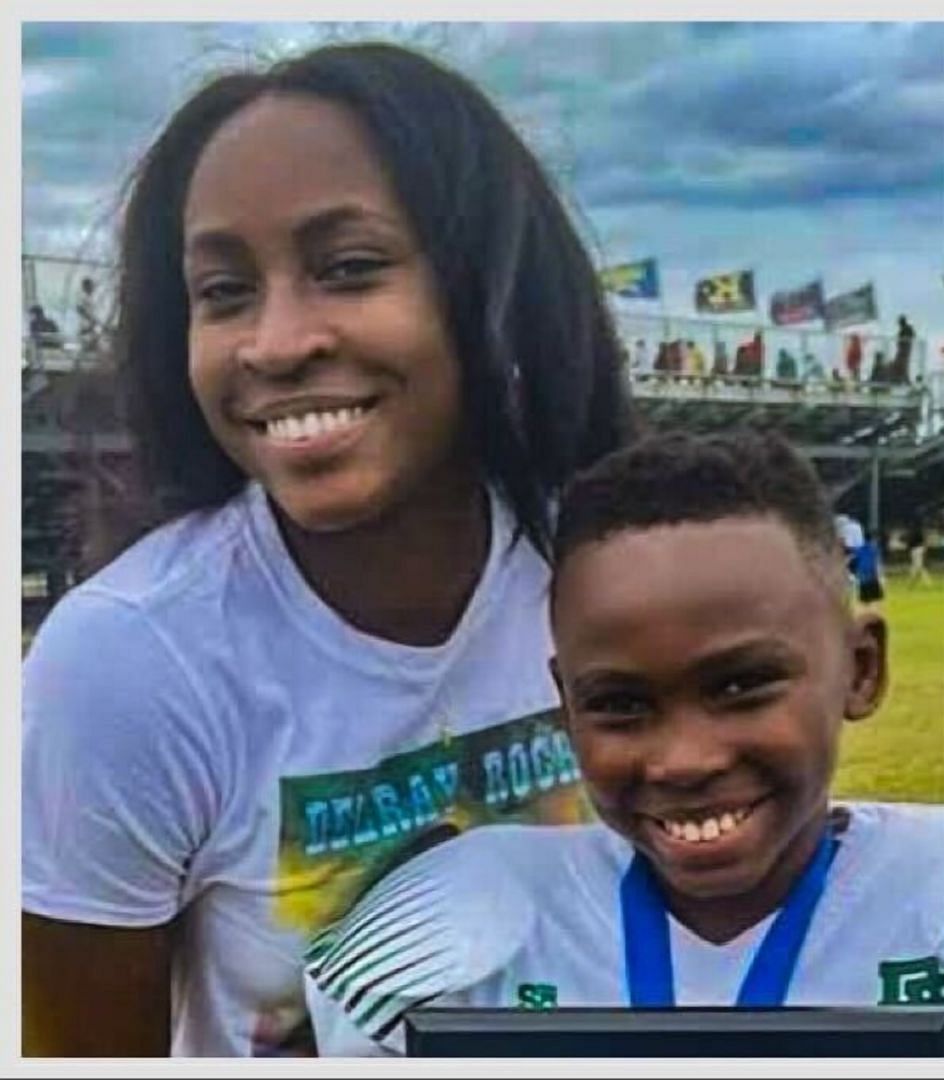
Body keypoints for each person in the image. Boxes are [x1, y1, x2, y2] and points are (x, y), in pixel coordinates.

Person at [21, 42, 636, 1057]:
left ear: (486, 286)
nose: (275, 342)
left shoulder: (600, 569)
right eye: (223, 291)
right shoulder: (126, 663)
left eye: (348, 269)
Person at [303, 432, 944, 1053]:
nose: (684, 762)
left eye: (741, 687)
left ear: (861, 671)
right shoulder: (451, 925)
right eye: (620, 705)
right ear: (568, 706)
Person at [77, 276, 104, 351]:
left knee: (92, 346)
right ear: (86, 287)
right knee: (87, 346)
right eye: (91, 285)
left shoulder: (91, 298)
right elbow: (79, 309)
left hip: (91, 326)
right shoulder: (82, 297)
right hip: (86, 326)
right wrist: (91, 319)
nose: (93, 287)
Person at [905, 520, 932, 586]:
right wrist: (925, 548)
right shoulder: (918, 531)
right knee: (916, 566)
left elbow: (909, 543)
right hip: (919, 549)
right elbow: (924, 540)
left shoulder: (912, 533)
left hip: (915, 550)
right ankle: (911, 581)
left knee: (918, 566)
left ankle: (927, 582)